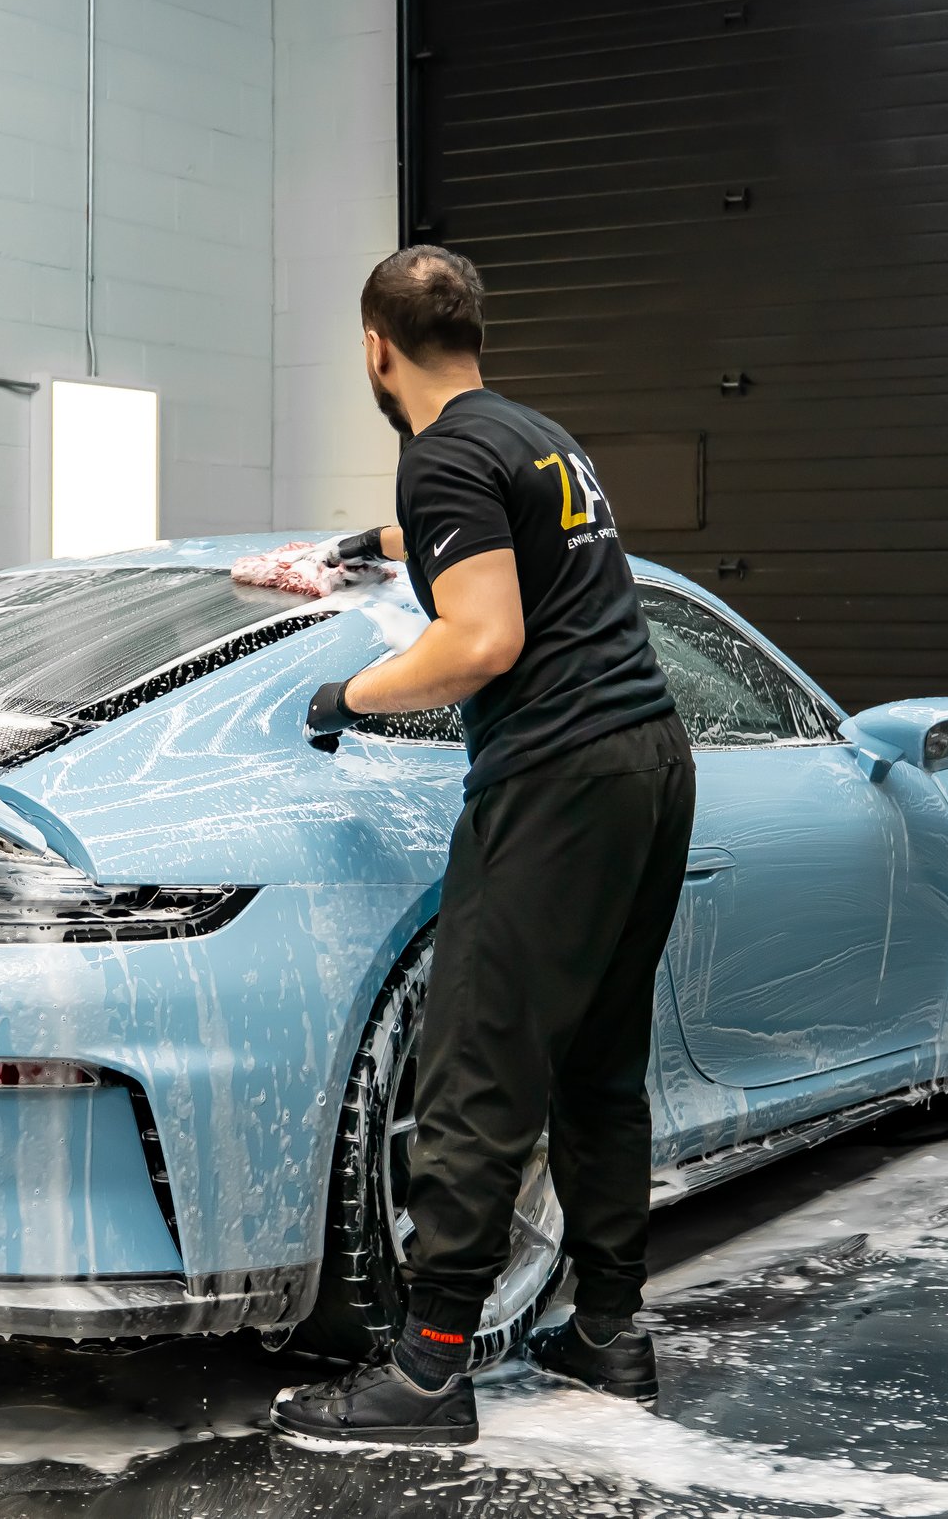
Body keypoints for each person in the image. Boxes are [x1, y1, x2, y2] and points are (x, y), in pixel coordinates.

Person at [270, 246, 698, 1447]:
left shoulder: (442, 454)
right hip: (649, 763)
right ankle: (609, 1335)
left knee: (476, 1067)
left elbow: (481, 639)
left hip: (557, 777)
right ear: (472, 335)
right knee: (599, 1065)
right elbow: (493, 549)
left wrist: (347, 698)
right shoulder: (530, 435)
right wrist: (372, 546)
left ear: (374, 347)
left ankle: (427, 1374)